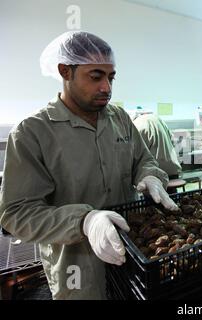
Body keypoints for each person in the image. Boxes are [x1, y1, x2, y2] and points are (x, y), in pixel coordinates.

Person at [0, 31, 178, 300]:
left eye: (111, 77)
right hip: (78, 271)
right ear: (65, 72)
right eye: (96, 76)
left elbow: (144, 160)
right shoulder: (32, 133)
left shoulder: (119, 118)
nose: (106, 87)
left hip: (132, 256)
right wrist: (85, 221)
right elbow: (16, 213)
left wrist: (151, 176)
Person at [133, 113, 182, 179]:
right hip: (173, 171)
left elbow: (135, 153)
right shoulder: (159, 120)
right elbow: (173, 142)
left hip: (155, 175)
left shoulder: (136, 125)